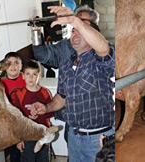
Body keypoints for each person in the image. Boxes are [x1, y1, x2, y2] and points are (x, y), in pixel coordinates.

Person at [31, 5, 114, 162]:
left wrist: (76, 21)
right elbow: (62, 96)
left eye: (80, 30)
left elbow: (103, 48)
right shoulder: (67, 63)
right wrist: (47, 107)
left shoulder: (101, 60)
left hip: (99, 139)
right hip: (74, 137)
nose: (75, 33)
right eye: (73, 30)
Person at [9, 60, 54, 162]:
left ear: (39, 75)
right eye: (28, 74)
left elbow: (51, 112)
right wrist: (18, 139)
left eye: (34, 74)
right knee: (28, 158)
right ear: (23, 76)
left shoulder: (45, 92)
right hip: (27, 134)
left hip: (43, 133)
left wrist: (39, 115)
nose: (31, 77)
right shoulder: (19, 94)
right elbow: (16, 119)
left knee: (43, 158)